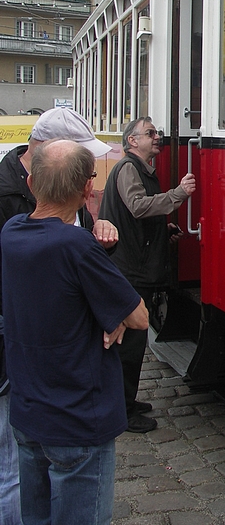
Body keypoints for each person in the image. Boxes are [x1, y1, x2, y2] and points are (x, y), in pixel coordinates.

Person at [1, 140, 148, 525]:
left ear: (31, 183)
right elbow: (139, 317)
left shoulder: (11, 232)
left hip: (28, 413)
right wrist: (112, 316)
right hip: (78, 417)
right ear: (88, 191)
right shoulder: (77, 246)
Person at [98, 117, 196, 433]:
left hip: (132, 268)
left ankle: (126, 402)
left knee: (134, 344)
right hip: (129, 272)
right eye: (150, 133)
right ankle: (122, 411)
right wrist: (179, 193)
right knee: (128, 345)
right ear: (131, 141)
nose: (157, 138)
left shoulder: (140, 170)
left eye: (156, 133)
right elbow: (138, 207)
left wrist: (161, 231)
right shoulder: (129, 168)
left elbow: (135, 220)